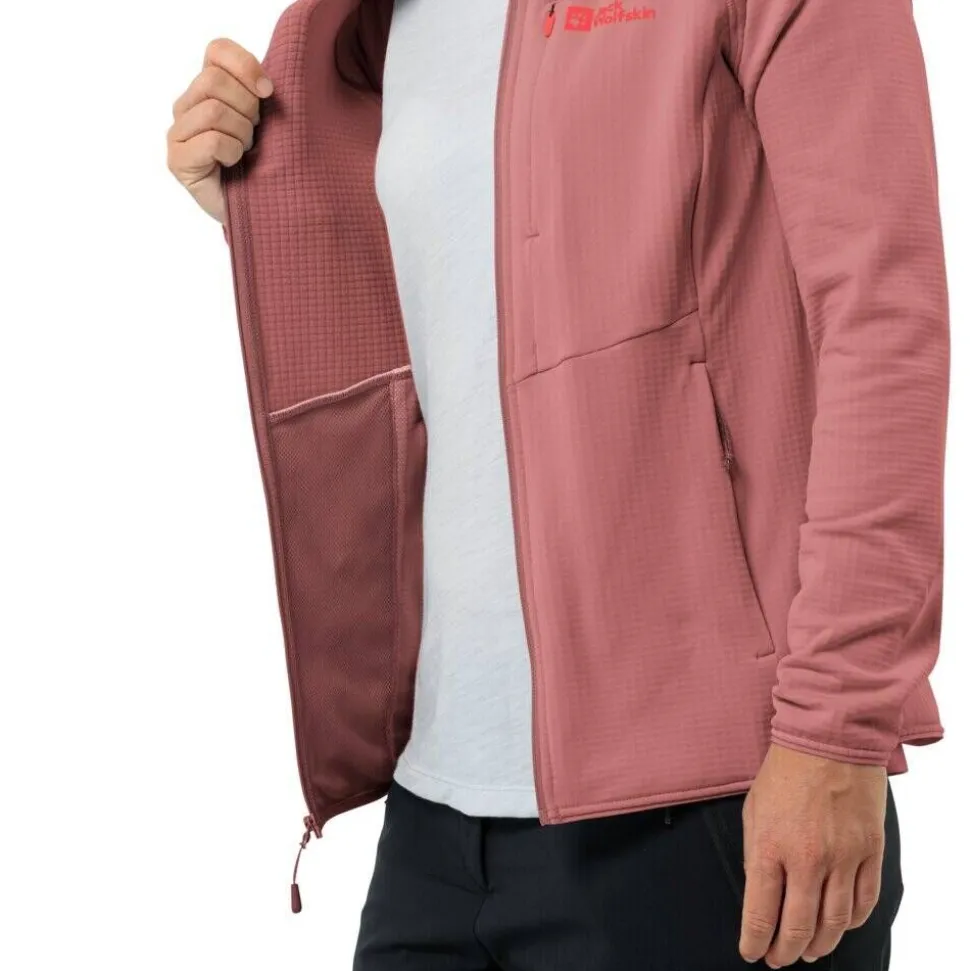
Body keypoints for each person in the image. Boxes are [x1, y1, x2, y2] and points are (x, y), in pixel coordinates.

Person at [167, 2, 949, 968]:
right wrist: (267, 200)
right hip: (437, 808)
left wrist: (838, 727)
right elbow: (462, 323)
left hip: (715, 804)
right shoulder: (375, 21)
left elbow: (883, 325)